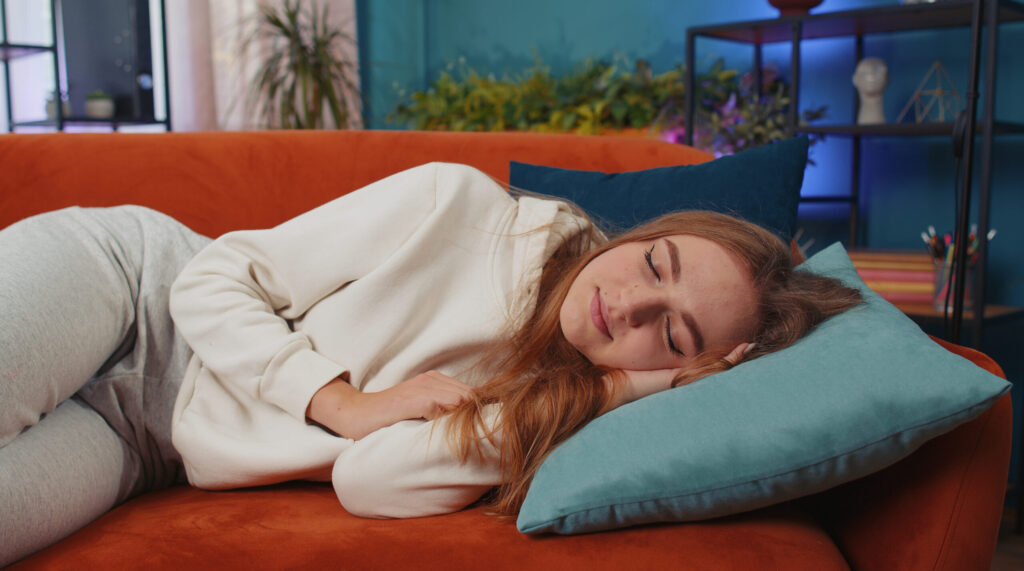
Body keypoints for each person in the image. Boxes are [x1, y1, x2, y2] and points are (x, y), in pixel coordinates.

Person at [0, 162, 861, 564]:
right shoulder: (462, 208)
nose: (629, 302)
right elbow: (214, 276)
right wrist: (340, 402)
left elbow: (369, 480)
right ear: (644, 234)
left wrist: (619, 388)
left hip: (146, 445)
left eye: (670, 336)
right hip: (133, 293)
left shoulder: (559, 402)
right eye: (654, 262)